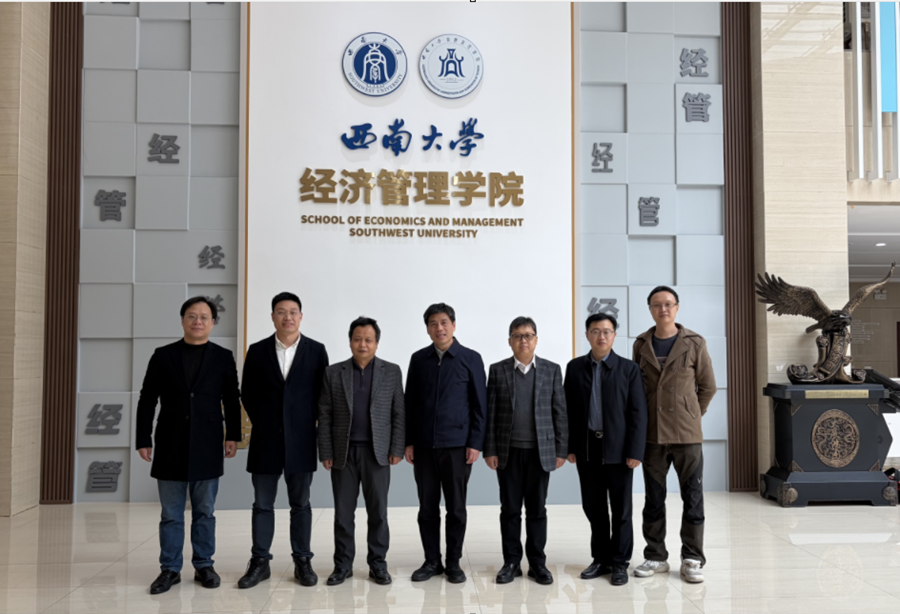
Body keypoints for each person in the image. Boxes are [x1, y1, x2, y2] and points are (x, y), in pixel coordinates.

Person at [135, 296, 242, 595]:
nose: (198, 321)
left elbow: (232, 399)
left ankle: (204, 565)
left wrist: (233, 435)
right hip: (170, 442)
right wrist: (143, 438)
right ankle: (169, 569)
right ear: (182, 320)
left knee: (205, 511)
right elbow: (147, 398)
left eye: (204, 317)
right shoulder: (163, 355)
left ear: (213, 322)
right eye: (192, 316)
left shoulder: (223, 357)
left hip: (208, 443)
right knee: (171, 513)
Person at [237, 292, 329, 588]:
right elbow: (248, 393)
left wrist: (302, 423)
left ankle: (302, 561)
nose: (287, 317)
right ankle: (260, 562)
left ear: (301, 316)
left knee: (301, 504)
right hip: (266, 440)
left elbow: (322, 395)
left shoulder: (317, 351)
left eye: (293, 312)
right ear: (273, 316)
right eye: (281, 311)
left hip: (302, 440)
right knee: (262, 504)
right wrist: (267, 422)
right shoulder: (257, 350)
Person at [632, 286, 716, 584]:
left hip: (687, 437)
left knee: (693, 497)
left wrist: (691, 414)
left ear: (677, 308)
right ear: (650, 309)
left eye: (668, 304)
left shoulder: (694, 342)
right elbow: (636, 388)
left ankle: (692, 558)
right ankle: (655, 556)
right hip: (652, 435)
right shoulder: (641, 344)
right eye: (657, 305)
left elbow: (707, 386)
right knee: (654, 498)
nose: (663, 309)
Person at [317, 317, 406, 586]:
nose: (363, 344)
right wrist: (326, 451)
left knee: (378, 513)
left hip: (377, 454)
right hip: (343, 454)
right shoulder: (334, 373)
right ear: (350, 342)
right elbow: (325, 414)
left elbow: (399, 413)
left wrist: (397, 448)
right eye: (357, 339)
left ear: (377, 343)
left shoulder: (392, 372)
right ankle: (342, 565)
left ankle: (378, 565)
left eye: (368, 340)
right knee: (343, 514)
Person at [405, 303, 487, 584]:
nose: (439, 328)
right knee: (427, 508)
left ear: (453, 325)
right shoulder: (418, 360)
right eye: (433, 323)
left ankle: (453, 562)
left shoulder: (470, 358)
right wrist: (409, 442)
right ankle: (431, 561)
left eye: (443, 322)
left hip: (457, 447)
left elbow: (479, 405)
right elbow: (409, 403)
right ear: (427, 329)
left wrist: (475, 443)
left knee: (456, 508)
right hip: (424, 448)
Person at [564, 312, 647, 586]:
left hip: (619, 450)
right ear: (587, 335)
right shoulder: (575, 368)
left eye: (607, 331)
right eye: (596, 331)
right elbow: (568, 411)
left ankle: (620, 562)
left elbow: (638, 413)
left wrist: (635, 451)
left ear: (614, 335)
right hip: (587, 448)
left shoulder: (629, 369)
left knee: (621, 510)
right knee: (594, 507)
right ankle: (601, 559)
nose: (602, 336)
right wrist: (569, 447)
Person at [483, 316, 568, 586]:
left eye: (528, 336)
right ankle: (511, 562)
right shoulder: (497, 370)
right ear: (510, 341)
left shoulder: (551, 370)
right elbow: (491, 413)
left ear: (536, 340)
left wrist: (561, 450)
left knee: (537, 510)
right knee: (509, 510)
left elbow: (560, 412)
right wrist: (489, 449)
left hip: (540, 453)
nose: (523, 340)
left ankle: (537, 564)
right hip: (507, 452)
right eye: (518, 336)